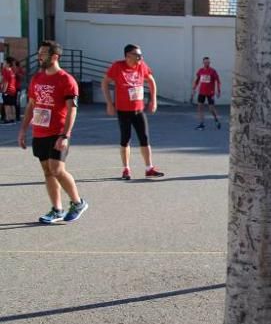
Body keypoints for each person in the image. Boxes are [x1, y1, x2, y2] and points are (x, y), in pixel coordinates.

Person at [17, 40, 88, 223]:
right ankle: (57, 209)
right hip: (40, 132)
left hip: (58, 132)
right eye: (39, 53)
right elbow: (32, 106)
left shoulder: (66, 80)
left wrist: (65, 135)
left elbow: (72, 109)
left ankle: (78, 202)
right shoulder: (37, 78)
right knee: (47, 172)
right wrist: (23, 130)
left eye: (43, 54)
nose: (39, 56)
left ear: (55, 57)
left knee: (57, 169)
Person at [102, 44, 164, 180]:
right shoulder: (118, 66)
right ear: (128, 56)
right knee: (125, 139)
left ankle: (149, 168)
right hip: (123, 110)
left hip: (138, 109)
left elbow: (151, 81)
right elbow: (105, 82)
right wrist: (109, 103)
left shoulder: (142, 65)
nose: (140, 57)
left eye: (141, 55)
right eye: (137, 55)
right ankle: (126, 169)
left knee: (145, 138)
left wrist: (153, 100)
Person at [191, 56, 222, 129]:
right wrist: (194, 89)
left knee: (211, 109)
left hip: (210, 93)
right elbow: (197, 80)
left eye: (208, 62)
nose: (206, 63)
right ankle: (201, 124)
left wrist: (218, 91)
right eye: (205, 62)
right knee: (200, 107)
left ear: (209, 63)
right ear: (203, 63)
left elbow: (218, 81)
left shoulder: (213, 71)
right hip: (201, 92)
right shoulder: (200, 71)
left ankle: (216, 120)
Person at [1, 58, 16, 124]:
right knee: (12, 105)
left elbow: (6, 81)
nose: (3, 64)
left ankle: (8, 119)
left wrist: (4, 91)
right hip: (13, 90)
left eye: (4, 63)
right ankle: (13, 119)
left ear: (8, 64)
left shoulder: (5, 70)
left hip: (8, 90)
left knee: (7, 105)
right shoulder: (11, 71)